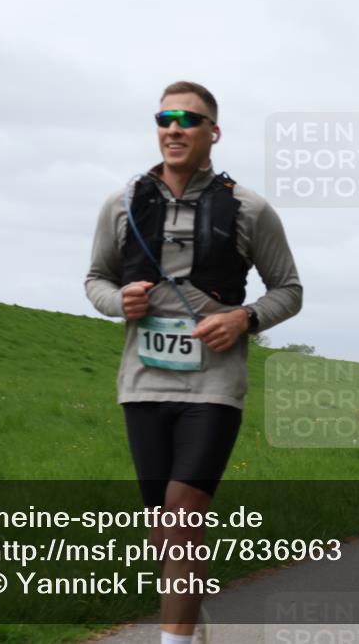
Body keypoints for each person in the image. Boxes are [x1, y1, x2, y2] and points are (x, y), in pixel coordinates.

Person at [85, 81, 303, 644]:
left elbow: (289, 290)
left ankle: (174, 639)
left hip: (213, 384)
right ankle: (191, 622)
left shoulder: (249, 208)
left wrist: (244, 319)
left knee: (182, 517)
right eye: (165, 118)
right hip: (142, 382)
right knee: (167, 529)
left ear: (214, 132)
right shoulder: (123, 202)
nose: (174, 128)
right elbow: (96, 280)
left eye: (188, 119)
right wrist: (118, 303)